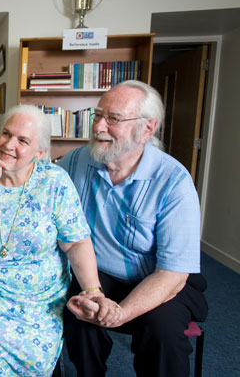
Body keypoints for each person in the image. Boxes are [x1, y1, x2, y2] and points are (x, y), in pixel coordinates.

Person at [0, 105, 117, 376]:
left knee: (36, 352)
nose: (8, 145)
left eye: (23, 140)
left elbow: (76, 242)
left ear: (40, 153)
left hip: (41, 297)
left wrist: (93, 291)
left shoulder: (55, 182)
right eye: (6, 134)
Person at [57, 80, 208, 377]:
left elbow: (173, 274)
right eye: (97, 115)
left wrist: (121, 313)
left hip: (160, 277)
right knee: (78, 314)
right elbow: (41, 190)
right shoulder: (75, 162)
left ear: (147, 128)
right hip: (99, 273)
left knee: (162, 331)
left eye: (113, 118)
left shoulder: (173, 181)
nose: (99, 126)